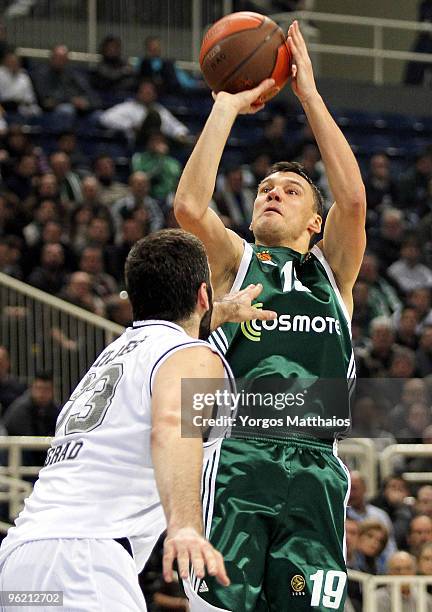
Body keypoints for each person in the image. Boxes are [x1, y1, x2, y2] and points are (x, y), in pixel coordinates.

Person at [174, 21, 366, 611]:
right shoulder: (235, 261)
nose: (272, 193)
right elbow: (188, 206)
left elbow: (354, 200)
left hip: (318, 467)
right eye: (264, 188)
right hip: (240, 458)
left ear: (315, 221)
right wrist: (228, 105)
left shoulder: (333, 272)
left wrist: (308, 94)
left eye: (290, 189)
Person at [0, 228, 276, 608]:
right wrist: (184, 527)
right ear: (201, 295)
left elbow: (175, 338)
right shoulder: (194, 355)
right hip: (84, 563)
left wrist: (221, 310)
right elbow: (171, 424)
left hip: (20, 563)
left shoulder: (116, 353)